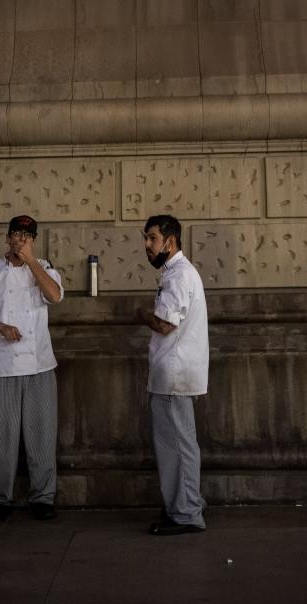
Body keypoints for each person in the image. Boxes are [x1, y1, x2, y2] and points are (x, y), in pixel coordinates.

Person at [0, 215, 64, 521]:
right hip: (1, 366)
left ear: (33, 240)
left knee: (42, 434)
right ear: (7, 238)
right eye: (16, 234)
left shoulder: (45, 270)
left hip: (39, 366)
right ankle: (0, 500)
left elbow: (55, 296)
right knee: (3, 436)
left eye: (27, 236)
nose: (21, 240)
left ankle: (43, 498)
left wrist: (33, 262)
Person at [135, 214, 209, 535]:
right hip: (175, 373)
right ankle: (187, 504)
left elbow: (166, 324)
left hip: (174, 374)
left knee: (176, 446)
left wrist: (141, 314)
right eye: (146, 239)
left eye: (152, 238)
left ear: (170, 241)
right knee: (182, 443)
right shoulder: (178, 273)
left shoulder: (178, 276)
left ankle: (186, 514)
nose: (147, 245)